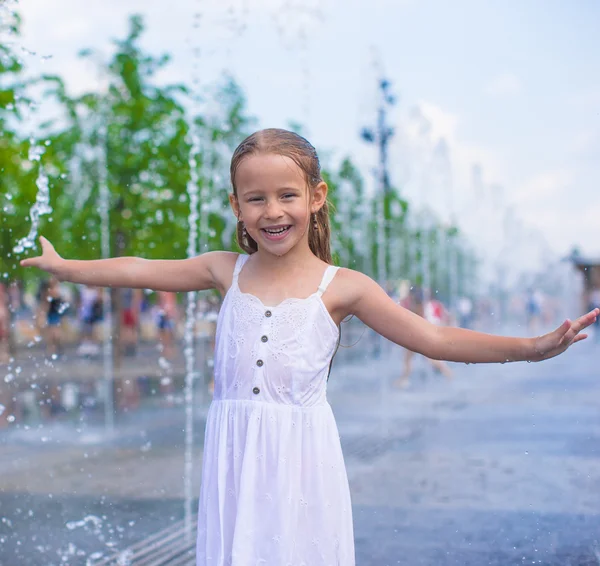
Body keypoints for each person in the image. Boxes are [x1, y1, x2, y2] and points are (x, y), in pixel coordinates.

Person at [21, 128, 598, 566]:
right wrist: (66, 267)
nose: (272, 212)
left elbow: (435, 337)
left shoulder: (343, 286)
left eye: (286, 195)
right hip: (236, 453)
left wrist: (531, 347)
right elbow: (141, 268)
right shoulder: (226, 270)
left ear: (316, 197)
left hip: (300, 460)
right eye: (255, 199)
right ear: (235, 206)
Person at [394, 286, 452, 388]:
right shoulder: (430, 304)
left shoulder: (419, 304)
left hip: (425, 333)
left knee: (429, 358)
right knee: (410, 356)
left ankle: (448, 375)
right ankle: (404, 379)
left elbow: (421, 319)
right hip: (426, 332)